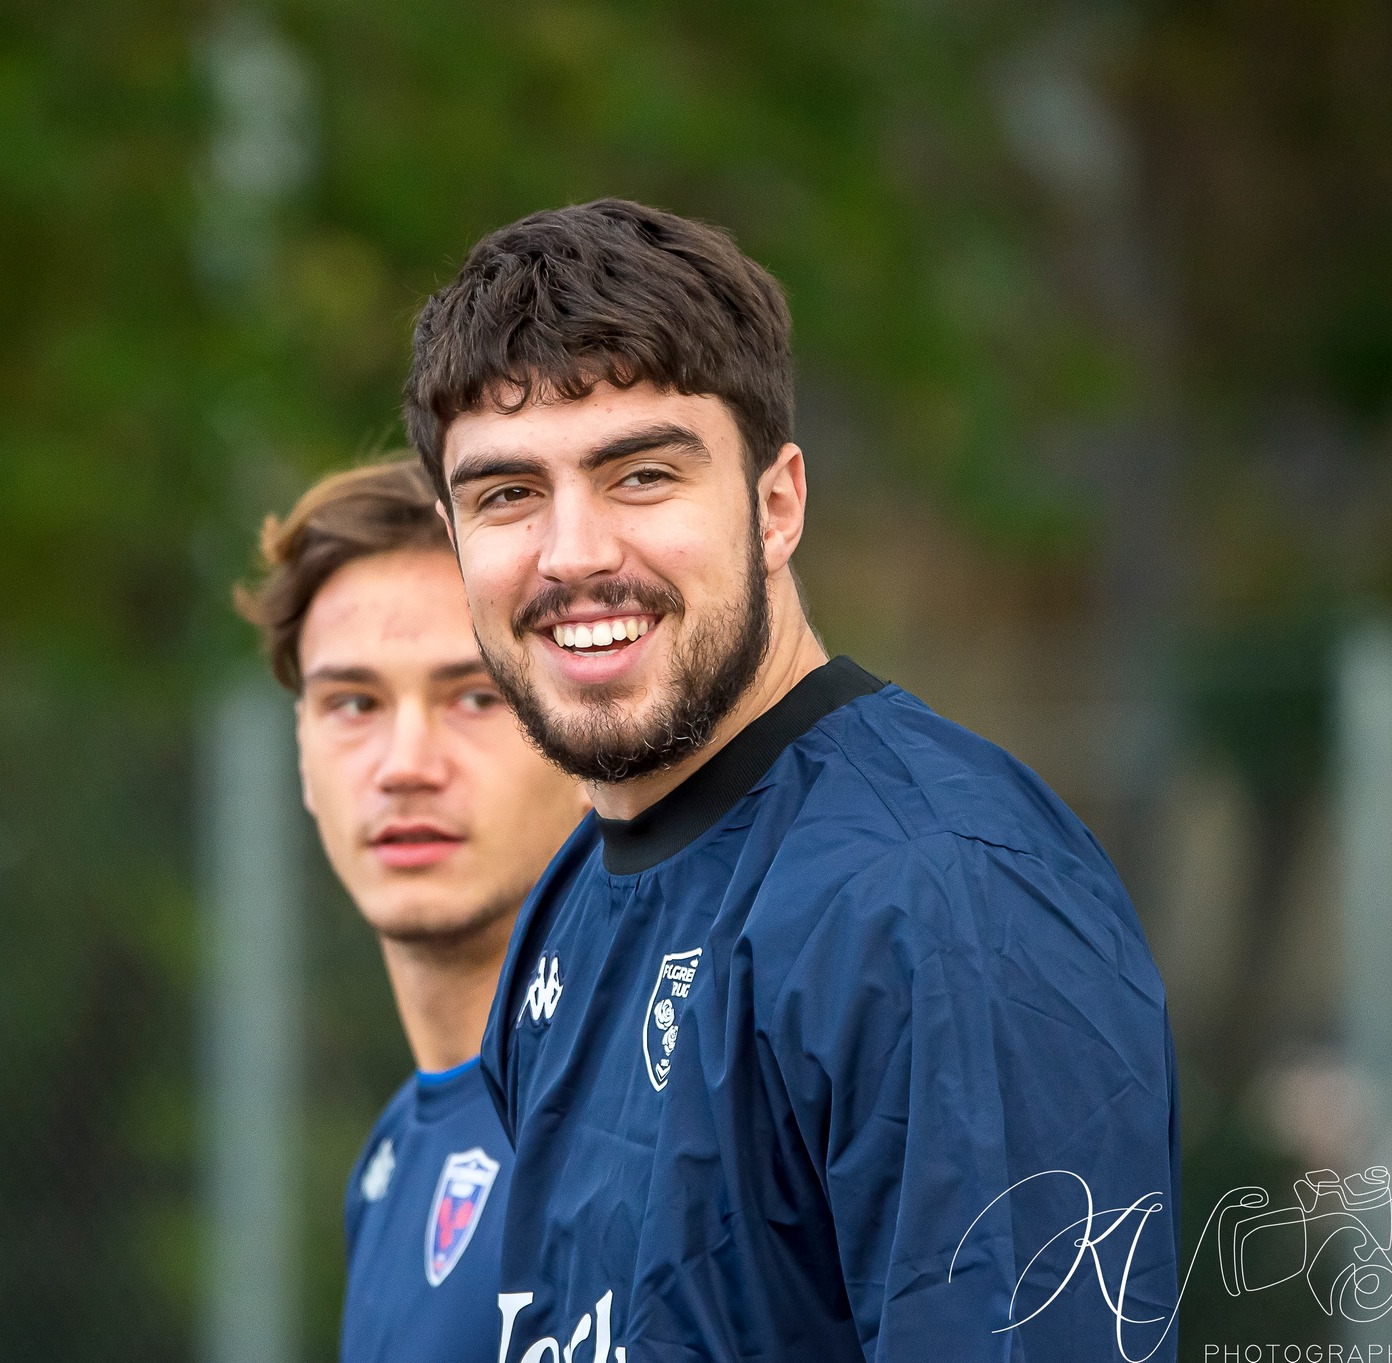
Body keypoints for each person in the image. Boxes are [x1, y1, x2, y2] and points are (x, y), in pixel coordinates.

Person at [405, 200, 1182, 1362]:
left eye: (640, 475)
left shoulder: (935, 896)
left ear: (775, 506)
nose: (571, 555)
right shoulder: (570, 904)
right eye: (508, 495)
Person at [235, 459, 589, 1363]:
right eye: (352, 702)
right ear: (303, 753)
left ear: (583, 729)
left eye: (473, 696)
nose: (405, 763)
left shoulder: (662, 1113)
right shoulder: (387, 1163)